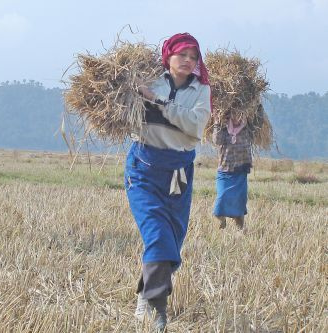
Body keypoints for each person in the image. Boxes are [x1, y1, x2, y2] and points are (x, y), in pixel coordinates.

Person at [125, 32, 211, 331]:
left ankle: (144, 296)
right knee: (158, 234)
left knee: (172, 239)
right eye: (182, 55)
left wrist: (158, 102)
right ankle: (158, 311)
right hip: (143, 170)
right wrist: (146, 97)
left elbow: (195, 125)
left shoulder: (201, 90)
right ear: (169, 56)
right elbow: (127, 111)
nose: (188, 61)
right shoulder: (149, 80)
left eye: (193, 57)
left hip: (179, 174)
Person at [212, 113, 253, 231]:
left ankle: (240, 229)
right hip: (225, 170)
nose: (237, 117)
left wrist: (258, 108)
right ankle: (221, 221)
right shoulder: (223, 126)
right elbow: (217, 141)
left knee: (239, 202)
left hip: (241, 170)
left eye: (240, 114)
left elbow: (258, 124)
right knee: (222, 198)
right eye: (235, 114)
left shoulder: (247, 126)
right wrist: (217, 122)